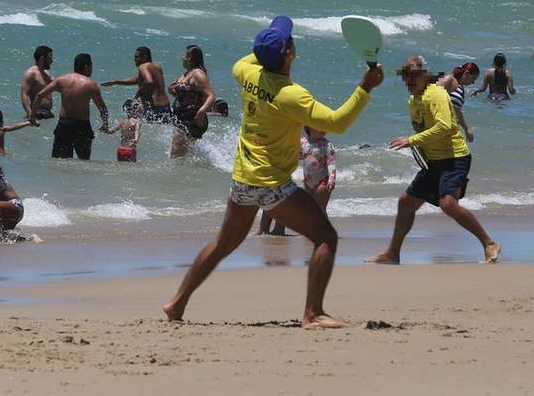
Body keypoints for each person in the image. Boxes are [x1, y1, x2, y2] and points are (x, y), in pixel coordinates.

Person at [163, 16, 384, 328]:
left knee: (222, 245)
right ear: (290, 53)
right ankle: (313, 313)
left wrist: (270, 43)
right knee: (326, 237)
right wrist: (365, 87)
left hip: (241, 179)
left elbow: (254, 56)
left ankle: (176, 302)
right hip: (272, 185)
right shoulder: (292, 95)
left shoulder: (245, 72)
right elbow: (337, 123)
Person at [367, 55, 500, 264]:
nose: (408, 81)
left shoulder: (435, 94)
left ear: (425, 75)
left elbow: (444, 127)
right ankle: (393, 253)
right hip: (434, 161)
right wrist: (419, 148)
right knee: (406, 203)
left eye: (413, 76)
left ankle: (488, 242)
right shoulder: (414, 99)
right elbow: (426, 130)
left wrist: (411, 140)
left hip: (455, 157)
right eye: (405, 77)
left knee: (447, 203)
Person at [257, 126, 338, 236]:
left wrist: (332, 180)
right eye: (320, 127)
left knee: (320, 209)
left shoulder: (327, 145)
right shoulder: (303, 142)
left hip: (323, 182)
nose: (324, 130)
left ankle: (326, 231)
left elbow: (331, 163)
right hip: (308, 183)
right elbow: (293, 156)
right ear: (309, 127)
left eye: (325, 127)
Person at [34, 53, 109, 160]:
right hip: (82, 127)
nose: (92, 69)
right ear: (86, 67)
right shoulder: (91, 85)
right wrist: (105, 124)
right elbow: (102, 108)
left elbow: (40, 95)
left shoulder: (61, 80)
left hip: (64, 125)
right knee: (84, 162)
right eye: (91, 66)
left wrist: (32, 116)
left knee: (59, 161)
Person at [168, 44, 218, 158]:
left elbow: (211, 95)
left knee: (175, 158)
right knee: (184, 157)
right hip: (183, 118)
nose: (182, 57)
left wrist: (201, 112)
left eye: (184, 55)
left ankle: (174, 175)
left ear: (189, 57)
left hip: (192, 119)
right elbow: (188, 94)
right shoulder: (186, 74)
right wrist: (174, 92)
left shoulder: (197, 73)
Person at [101, 46, 172, 121]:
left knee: (129, 111)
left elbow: (149, 82)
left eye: (136, 57)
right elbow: (139, 79)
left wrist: (138, 94)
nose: (135, 60)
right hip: (166, 106)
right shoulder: (157, 66)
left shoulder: (143, 67)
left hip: (154, 108)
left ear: (144, 57)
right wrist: (116, 82)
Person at [438, 61, 479, 143]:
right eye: (473, 79)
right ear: (466, 73)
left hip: (447, 129)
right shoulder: (451, 80)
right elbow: (433, 96)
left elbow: (457, 110)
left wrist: (466, 129)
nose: (473, 82)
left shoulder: (459, 87)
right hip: (440, 127)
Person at [20, 45, 55, 120]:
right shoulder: (31, 73)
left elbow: (58, 85)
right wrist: (30, 114)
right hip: (38, 113)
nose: (52, 61)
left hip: (48, 112)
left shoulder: (47, 74)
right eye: (50, 58)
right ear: (42, 58)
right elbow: (24, 94)